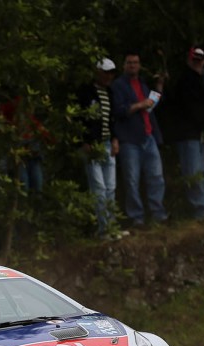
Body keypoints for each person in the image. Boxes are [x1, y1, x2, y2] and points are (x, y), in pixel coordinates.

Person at [111, 52, 169, 227]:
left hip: (148, 135)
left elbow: (151, 104)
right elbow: (118, 111)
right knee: (132, 180)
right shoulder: (118, 86)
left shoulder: (142, 84)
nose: (132, 66)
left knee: (156, 177)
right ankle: (137, 218)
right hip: (129, 139)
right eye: (129, 63)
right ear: (124, 65)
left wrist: (159, 85)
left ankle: (158, 214)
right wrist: (138, 105)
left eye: (135, 63)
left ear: (139, 65)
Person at [167, 46, 204, 220]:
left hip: (197, 133)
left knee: (200, 170)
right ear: (189, 60)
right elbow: (191, 108)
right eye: (195, 59)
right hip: (187, 133)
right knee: (193, 171)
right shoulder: (187, 80)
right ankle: (199, 210)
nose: (197, 62)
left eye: (200, 59)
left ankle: (202, 208)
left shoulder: (201, 79)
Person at [76, 58, 120, 237]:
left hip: (108, 143)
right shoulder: (86, 92)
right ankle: (104, 229)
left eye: (111, 73)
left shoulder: (109, 92)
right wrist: (84, 141)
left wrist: (115, 138)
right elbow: (80, 118)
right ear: (98, 72)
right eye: (106, 72)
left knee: (110, 186)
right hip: (93, 145)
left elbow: (112, 118)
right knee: (99, 188)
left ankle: (112, 226)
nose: (109, 76)